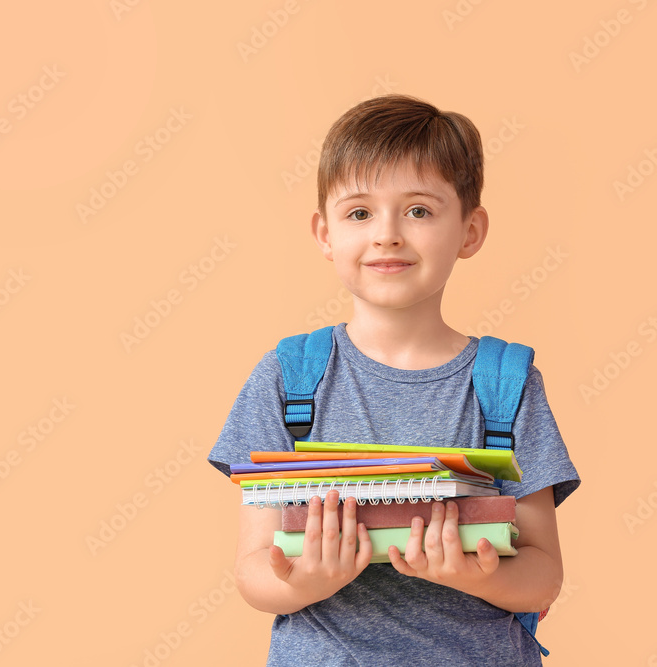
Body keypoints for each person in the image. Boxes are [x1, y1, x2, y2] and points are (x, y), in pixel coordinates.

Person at [208, 93, 580, 665]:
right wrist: (311, 580)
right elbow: (254, 571)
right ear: (325, 233)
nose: (387, 234)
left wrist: (470, 574)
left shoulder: (506, 384)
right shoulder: (289, 378)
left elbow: (543, 575)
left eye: (419, 211)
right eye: (359, 213)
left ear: (470, 231)